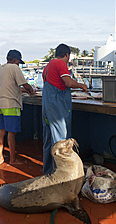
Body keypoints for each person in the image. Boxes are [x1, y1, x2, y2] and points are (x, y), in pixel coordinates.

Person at [42, 43, 88, 175]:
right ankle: (61, 175)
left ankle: (49, 172)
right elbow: (68, 82)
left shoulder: (47, 66)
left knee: (49, 141)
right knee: (60, 143)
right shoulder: (60, 64)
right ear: (67, 55)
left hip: (47, 108)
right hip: (57, 110)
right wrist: (81, 85)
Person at [0, 49, 34, 165]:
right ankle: (12, 159)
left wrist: (23, 89)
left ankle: (0, 158)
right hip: (11, 104)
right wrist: (31, 90)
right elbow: (25, 85)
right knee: (11, 133)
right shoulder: (14, 68)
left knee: (2, 131)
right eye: (18, 62)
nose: (19, 64)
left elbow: (10, 85)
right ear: (15, 59)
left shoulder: (0, 69)